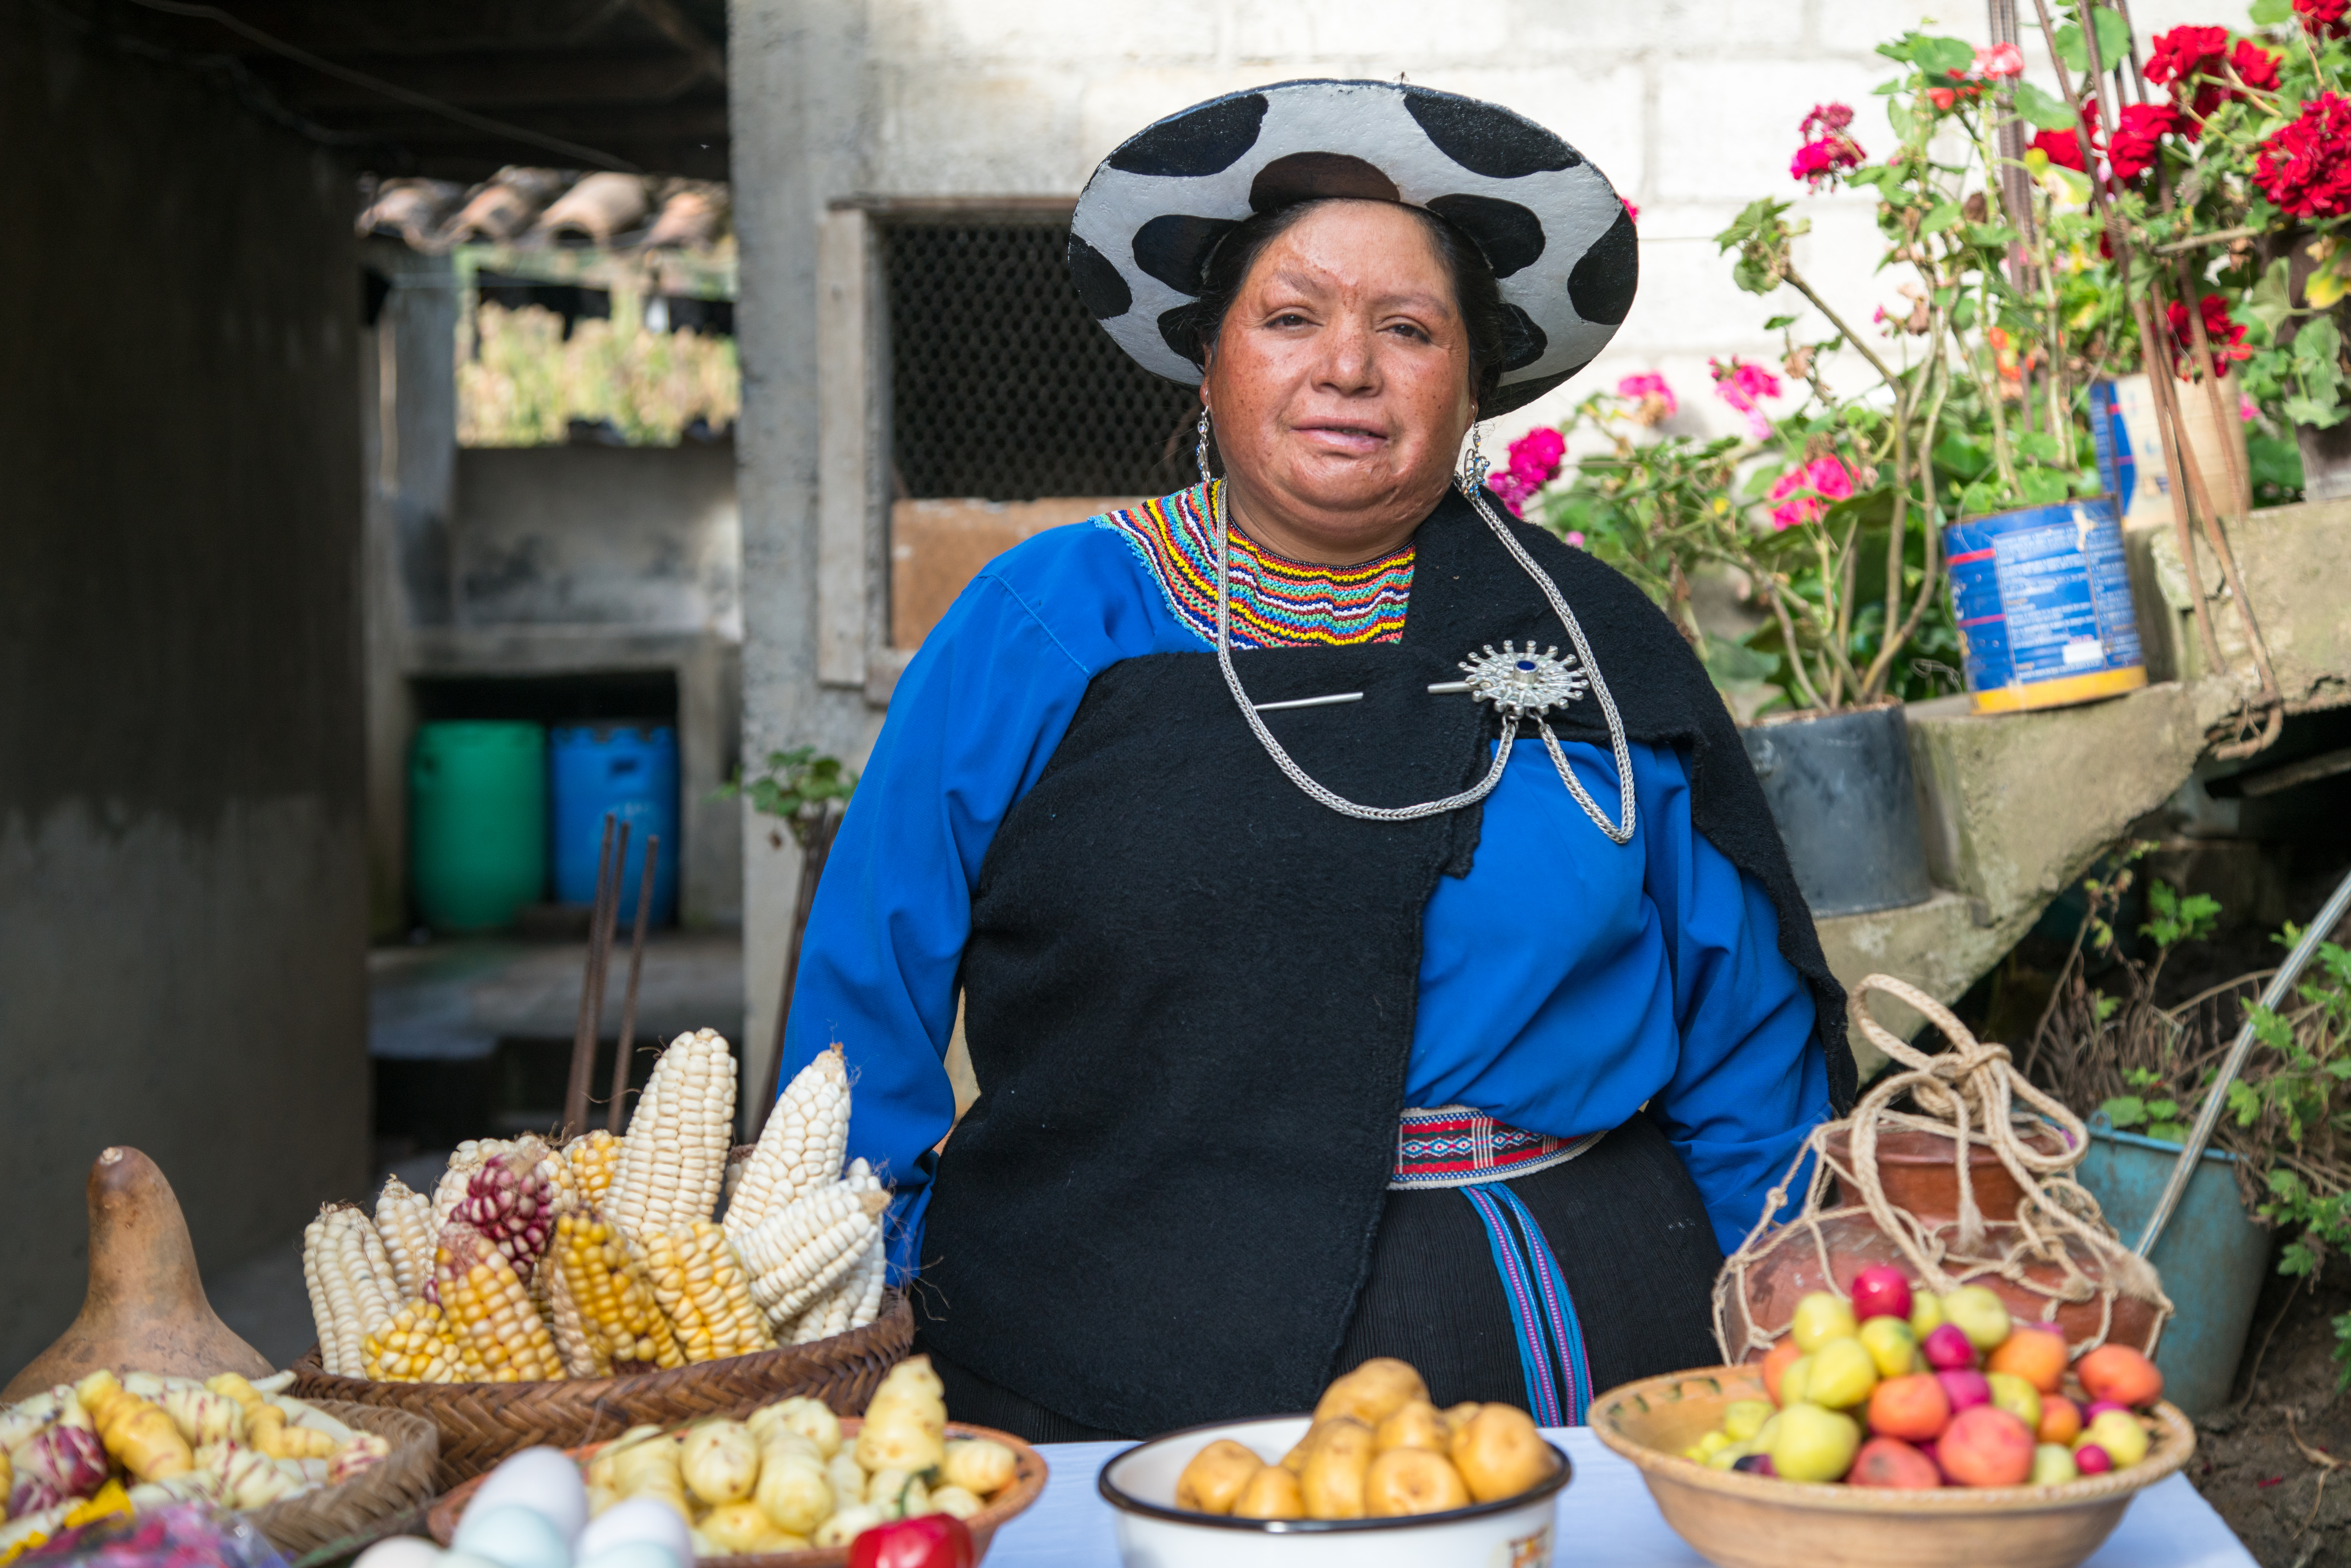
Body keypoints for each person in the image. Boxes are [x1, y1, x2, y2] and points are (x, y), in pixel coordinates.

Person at [776, 80, 1856, 1442]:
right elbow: (861, 1002)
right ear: (1210, 357)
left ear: (1471, 383)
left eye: (1407, 331)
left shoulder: (1591, 637)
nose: (1347, 367)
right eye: (1291, 319)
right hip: (1107, 1330)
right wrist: (875, 1309)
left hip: (1585, 1338)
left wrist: (1786, 1315)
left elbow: (1744, 1026)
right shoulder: (1049, 622)